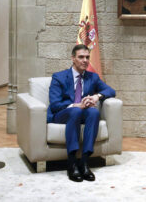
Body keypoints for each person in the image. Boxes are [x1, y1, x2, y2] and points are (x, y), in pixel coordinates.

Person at [47, 44, 116, 182]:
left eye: (87, 57)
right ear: (73, 58)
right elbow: (55, 105)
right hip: (63, 114)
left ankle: (84, 162)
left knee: (93, 113)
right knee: (76, 111)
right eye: (81, 57)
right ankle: (72, 163)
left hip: (82, 114)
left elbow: (111, 91)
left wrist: (97, 97)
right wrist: (77, 105)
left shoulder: (93, 77)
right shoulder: (59, 77)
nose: (85, 60)